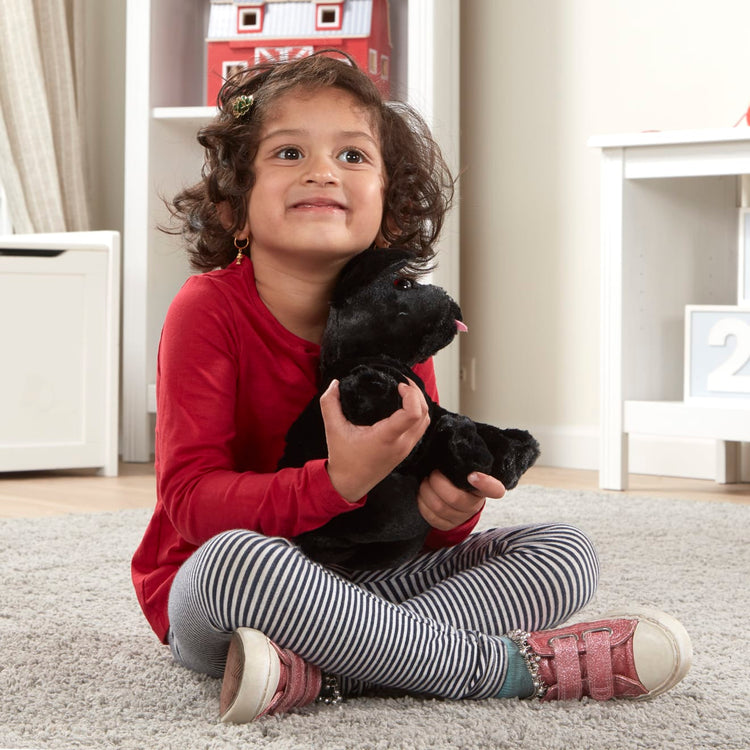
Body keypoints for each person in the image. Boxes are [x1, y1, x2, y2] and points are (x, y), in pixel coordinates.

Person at [131, 51, 692, 723]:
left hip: (367, 586)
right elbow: (191, 504)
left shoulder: (400, 319)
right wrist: (334, 484)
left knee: (564, 552)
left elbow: (417, 523)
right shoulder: (207, 311)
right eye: (287, 153)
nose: (321, 170)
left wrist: (449, 508)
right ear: (235, 213)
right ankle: (504, 669)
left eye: (352, 156)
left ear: (389, 212)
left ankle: (326, 671)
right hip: (238, 591)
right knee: (233, 562)